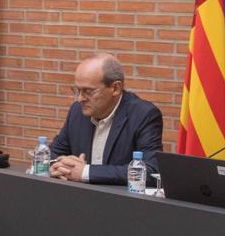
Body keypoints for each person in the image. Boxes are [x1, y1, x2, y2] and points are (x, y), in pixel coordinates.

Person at [49, 53, 164, 185]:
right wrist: (57, 166)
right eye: (77, 90)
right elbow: (53, 153)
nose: (80, 98)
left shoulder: (144, 114)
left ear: (115, 88)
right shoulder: (77, 111)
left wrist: (85, 172)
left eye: (88, 91)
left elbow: (151, 170)